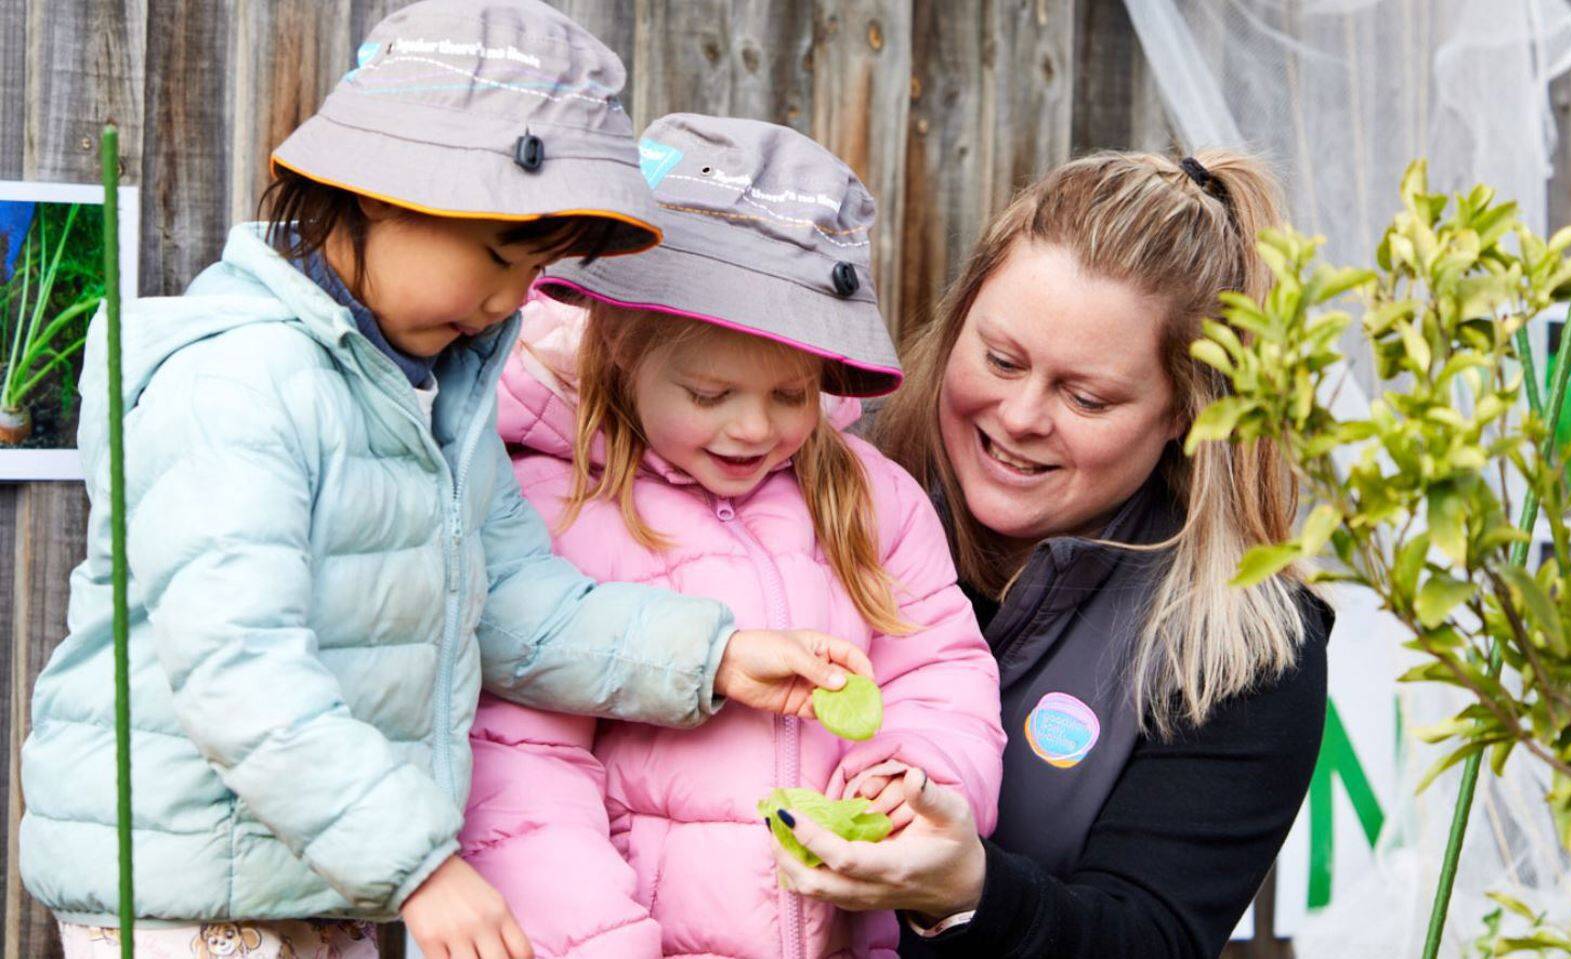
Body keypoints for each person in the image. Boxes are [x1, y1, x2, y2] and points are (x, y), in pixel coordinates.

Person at [21, 7, 870, 959]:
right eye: (499, 256)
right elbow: (238, 667)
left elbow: (516, 606)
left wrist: (713, 656)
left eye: (535, 267)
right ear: (378, 191)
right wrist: (420, 867)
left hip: (321, 883)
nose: (511, 299)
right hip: (185, 897)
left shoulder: (430, 397)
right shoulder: (237, 384)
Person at [460, 114, 1006, 959]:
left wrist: (917, 772)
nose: (754, 428)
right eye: (710, 394)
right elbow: (521, 774)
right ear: (620, 346)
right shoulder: (554, 508)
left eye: (791, 395)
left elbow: (939, 672)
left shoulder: (872, 502)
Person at [770, 150, 1335, 959]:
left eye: (1085, 397)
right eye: (1001, 359)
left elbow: (1151, 940)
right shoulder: (810, 479)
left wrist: (972, 894)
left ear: (1186, 412)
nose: (1020, 415)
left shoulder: (1241, 646)